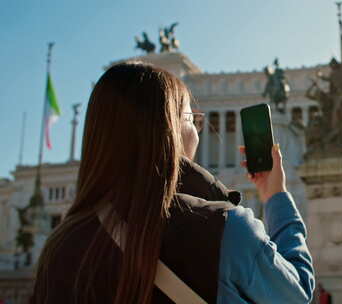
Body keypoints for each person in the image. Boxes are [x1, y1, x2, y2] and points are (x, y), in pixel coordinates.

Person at [30, 62, 314, 304]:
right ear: (171, 130)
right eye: (193, 120)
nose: (198, 131)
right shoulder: (226, 228)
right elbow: (297, 294)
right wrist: (276, 195)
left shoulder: (60, 248)